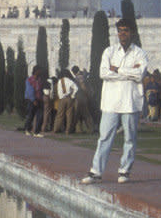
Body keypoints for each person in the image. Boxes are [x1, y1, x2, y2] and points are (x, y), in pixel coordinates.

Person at [81, 18, 149, 184]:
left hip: (130, 101)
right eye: (120, 30)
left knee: (130, 138)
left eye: (125, 30)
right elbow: (104, 73)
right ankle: (96, 172)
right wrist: (128, 72)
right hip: (111, 102)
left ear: (131, 32)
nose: (122, 34)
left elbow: (140, 74)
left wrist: (117, 69)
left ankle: (124, 171)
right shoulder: (109, 52)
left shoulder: (139, 53)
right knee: (104, 137)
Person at [53, 69, 77, 134]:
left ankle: (56, 129)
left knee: (60, 114)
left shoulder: (60, 81)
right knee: (69, 115)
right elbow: (76, 88)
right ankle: (68, 130)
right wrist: (72, 96)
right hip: (69, 98)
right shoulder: (70, 81)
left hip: (62, 99)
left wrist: (61, 97)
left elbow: (59, 91)